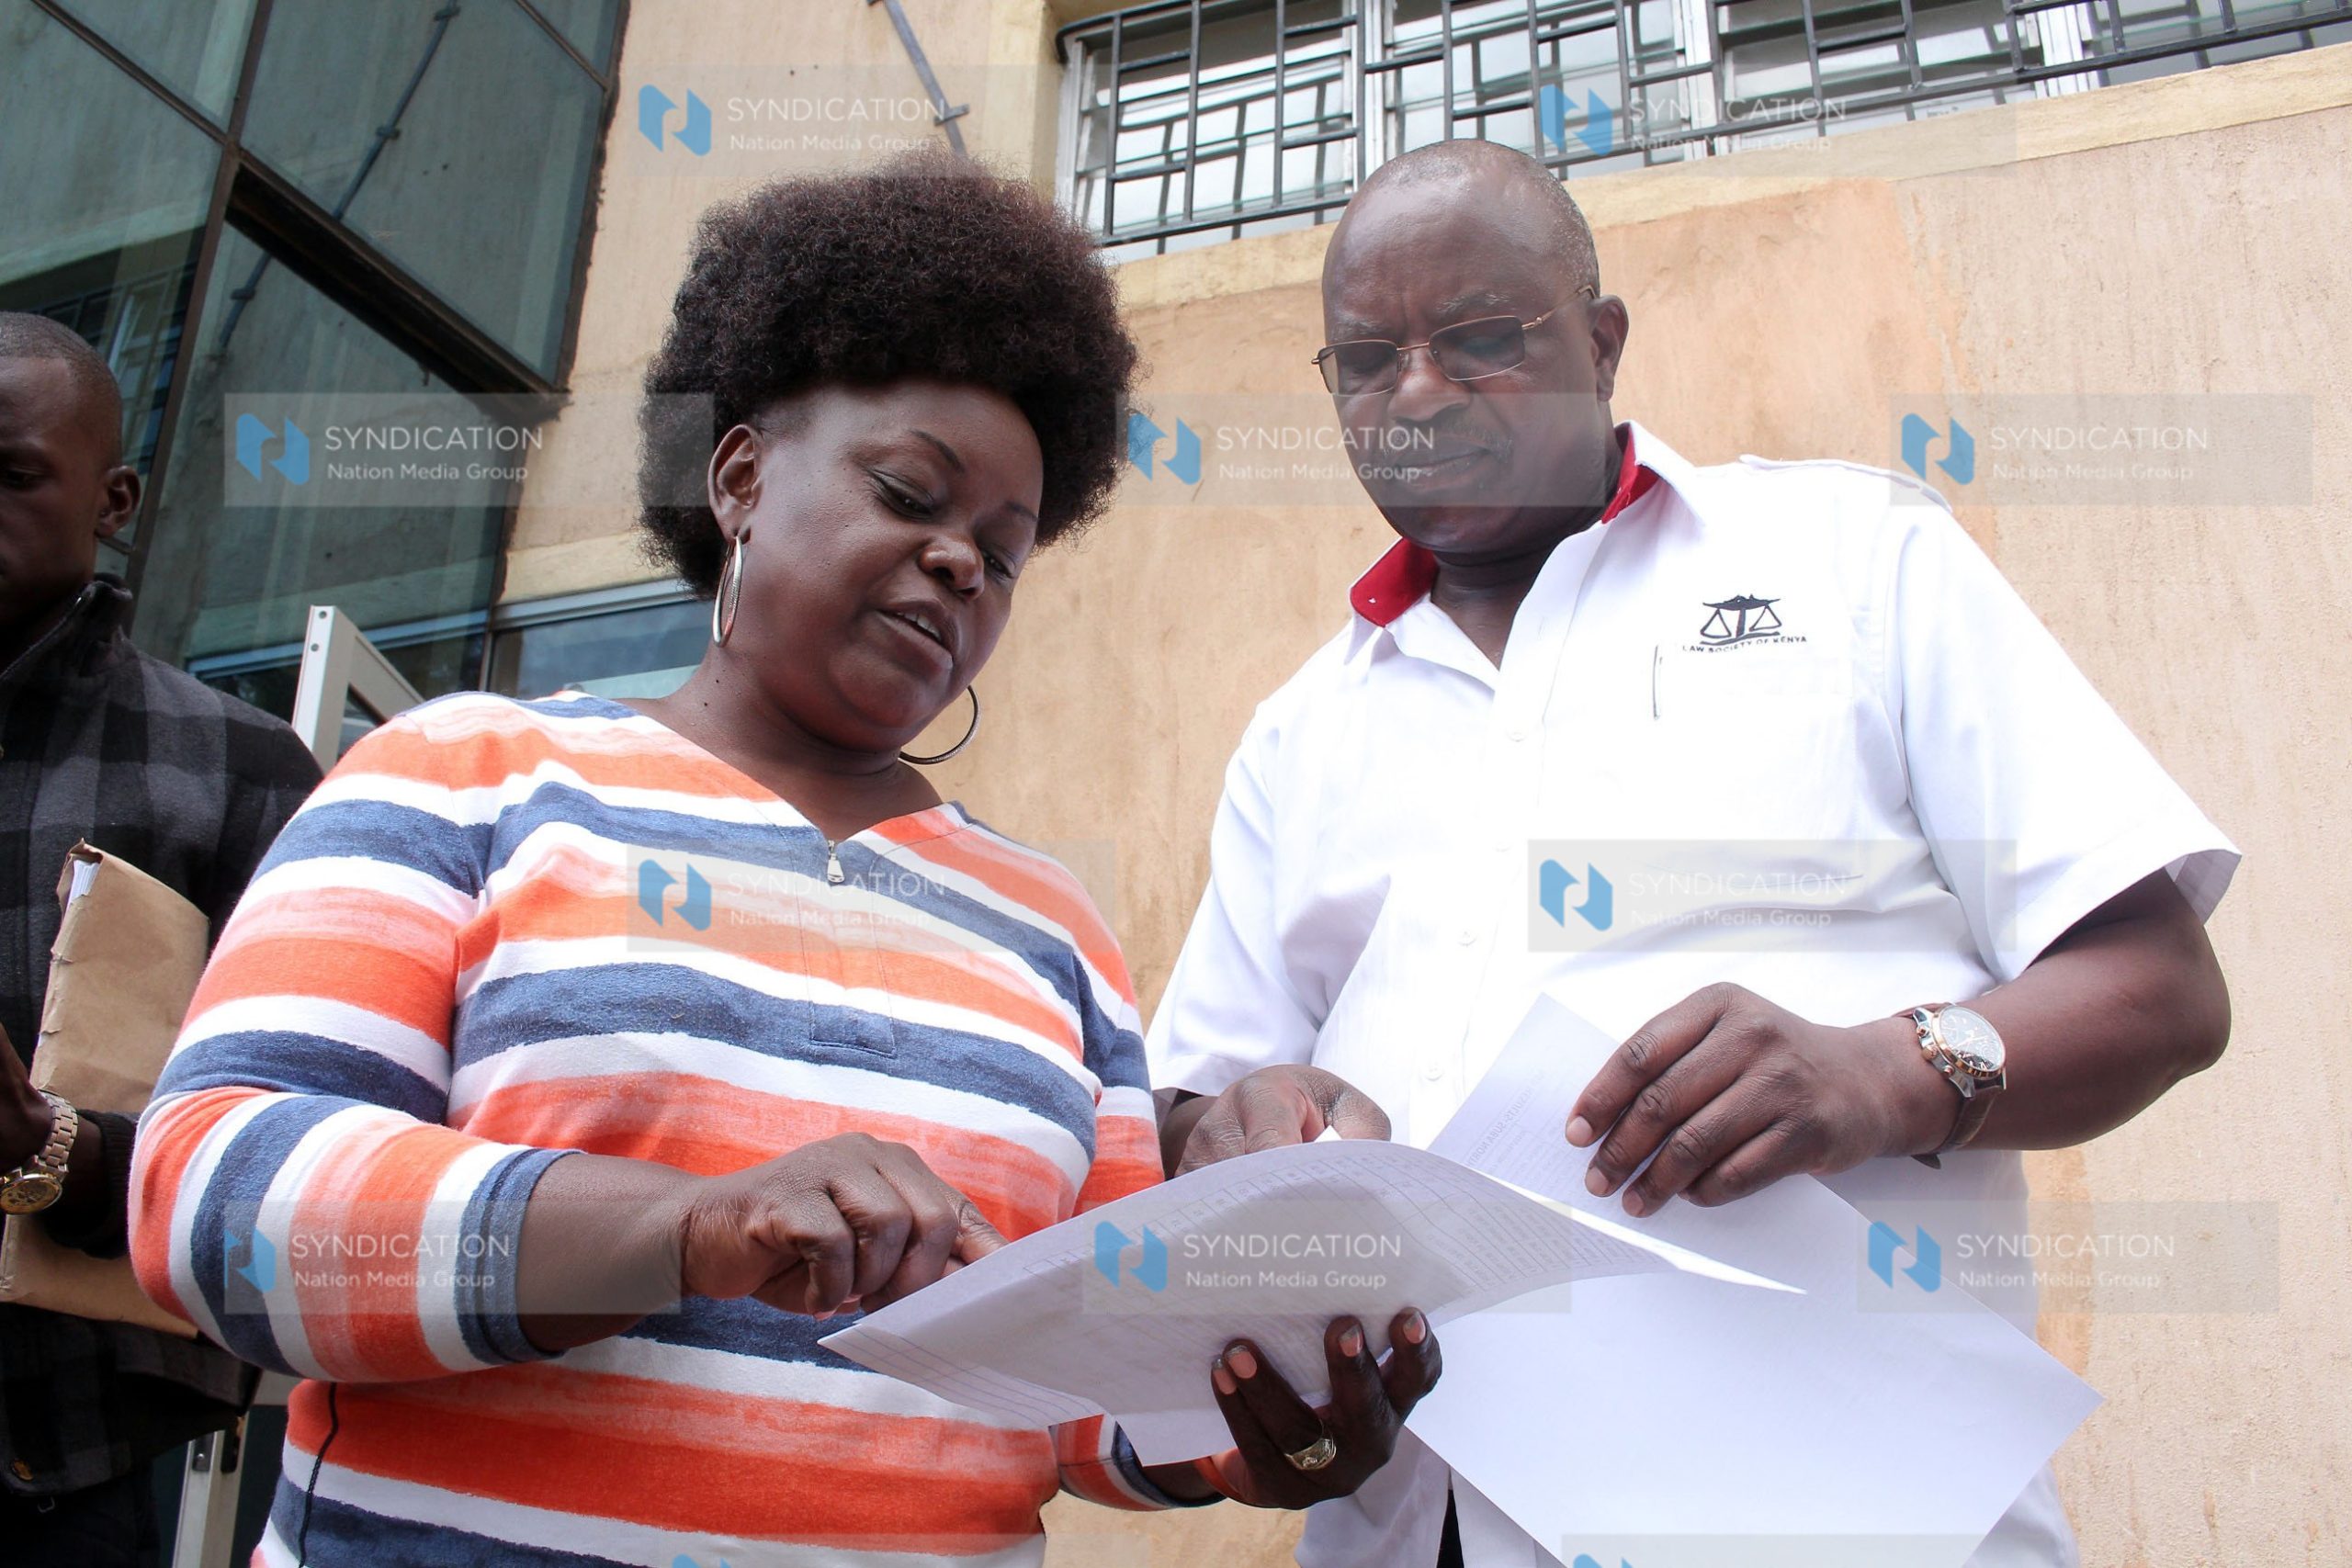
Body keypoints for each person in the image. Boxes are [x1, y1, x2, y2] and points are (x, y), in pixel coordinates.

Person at [129, 152, 1440, 1567]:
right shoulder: (468, 773)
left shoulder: (1048, 929)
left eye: (1002, 554)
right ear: (743, 475)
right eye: (909, 495)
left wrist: (1260, 1425)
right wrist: (686, 1228)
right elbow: (213, 1201)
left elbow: (1086, 1399)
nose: (959, 567)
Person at [1147, 140, 2234, 1568]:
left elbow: (2161, 990)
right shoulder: (1300, 734)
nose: (1417, 395)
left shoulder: (1853, 560)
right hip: (1420, 1529)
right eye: (1366, 361)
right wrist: (1233, 1137)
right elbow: (1188, 1111)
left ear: (1600, 345)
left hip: (1847, 1521)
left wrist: (1885, 1073)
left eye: (1480, 340)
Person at [0, 312, 323, 1563]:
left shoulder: (239, 771)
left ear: (115, 497)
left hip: (54, 1467)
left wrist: (49, 1151)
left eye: (14, 473)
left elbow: (297, 1155)